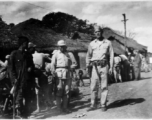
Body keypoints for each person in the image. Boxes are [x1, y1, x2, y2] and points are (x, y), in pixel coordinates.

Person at [86, 26, 114, 112]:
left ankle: (103, 104)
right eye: (95, 32)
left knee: (104, 86)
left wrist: (111, 67)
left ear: (101, 32)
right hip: (94, 67)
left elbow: (111, 55)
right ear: (94, 33)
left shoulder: (108, 43)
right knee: (93, 86)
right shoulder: (91, 44)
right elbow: (88, 56)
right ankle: (93, 104)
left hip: (104, 66)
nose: (97, 33)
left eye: (98, 31)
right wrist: (87, 66)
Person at [51, 40, 77, 113]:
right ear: (58, 47)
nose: (61, 48)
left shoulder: (69, 54)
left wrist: (71, 67)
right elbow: (52, 64)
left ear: (65, 46)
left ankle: (65, 107)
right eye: (60, 47)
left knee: (67, 91)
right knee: (59, 90)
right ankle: (58, 108)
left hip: (67, 73)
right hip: (58, 73)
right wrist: (53, 73)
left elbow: (75, 63)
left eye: (63, 46)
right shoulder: (55, 54)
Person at [9, 36, 30, 118]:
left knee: (25, 95)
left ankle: (23, 112)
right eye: (26, 43)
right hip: (17, 79)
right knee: (19, 95)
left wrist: (30, 68)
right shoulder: (14, 54)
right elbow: (11, 68)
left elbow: (30, 65)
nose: (27, 45)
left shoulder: (26, 54)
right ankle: (18, 113)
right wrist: (14, 79)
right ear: (22, 44)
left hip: (25, 78)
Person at [32, 48, 52, 113]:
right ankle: (48, 106)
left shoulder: (31, 55)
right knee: (45, 91)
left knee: (37, 92)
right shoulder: (42, 55)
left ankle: (39, 108)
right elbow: (51, 60)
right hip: (42, 74)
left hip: (34, 74)